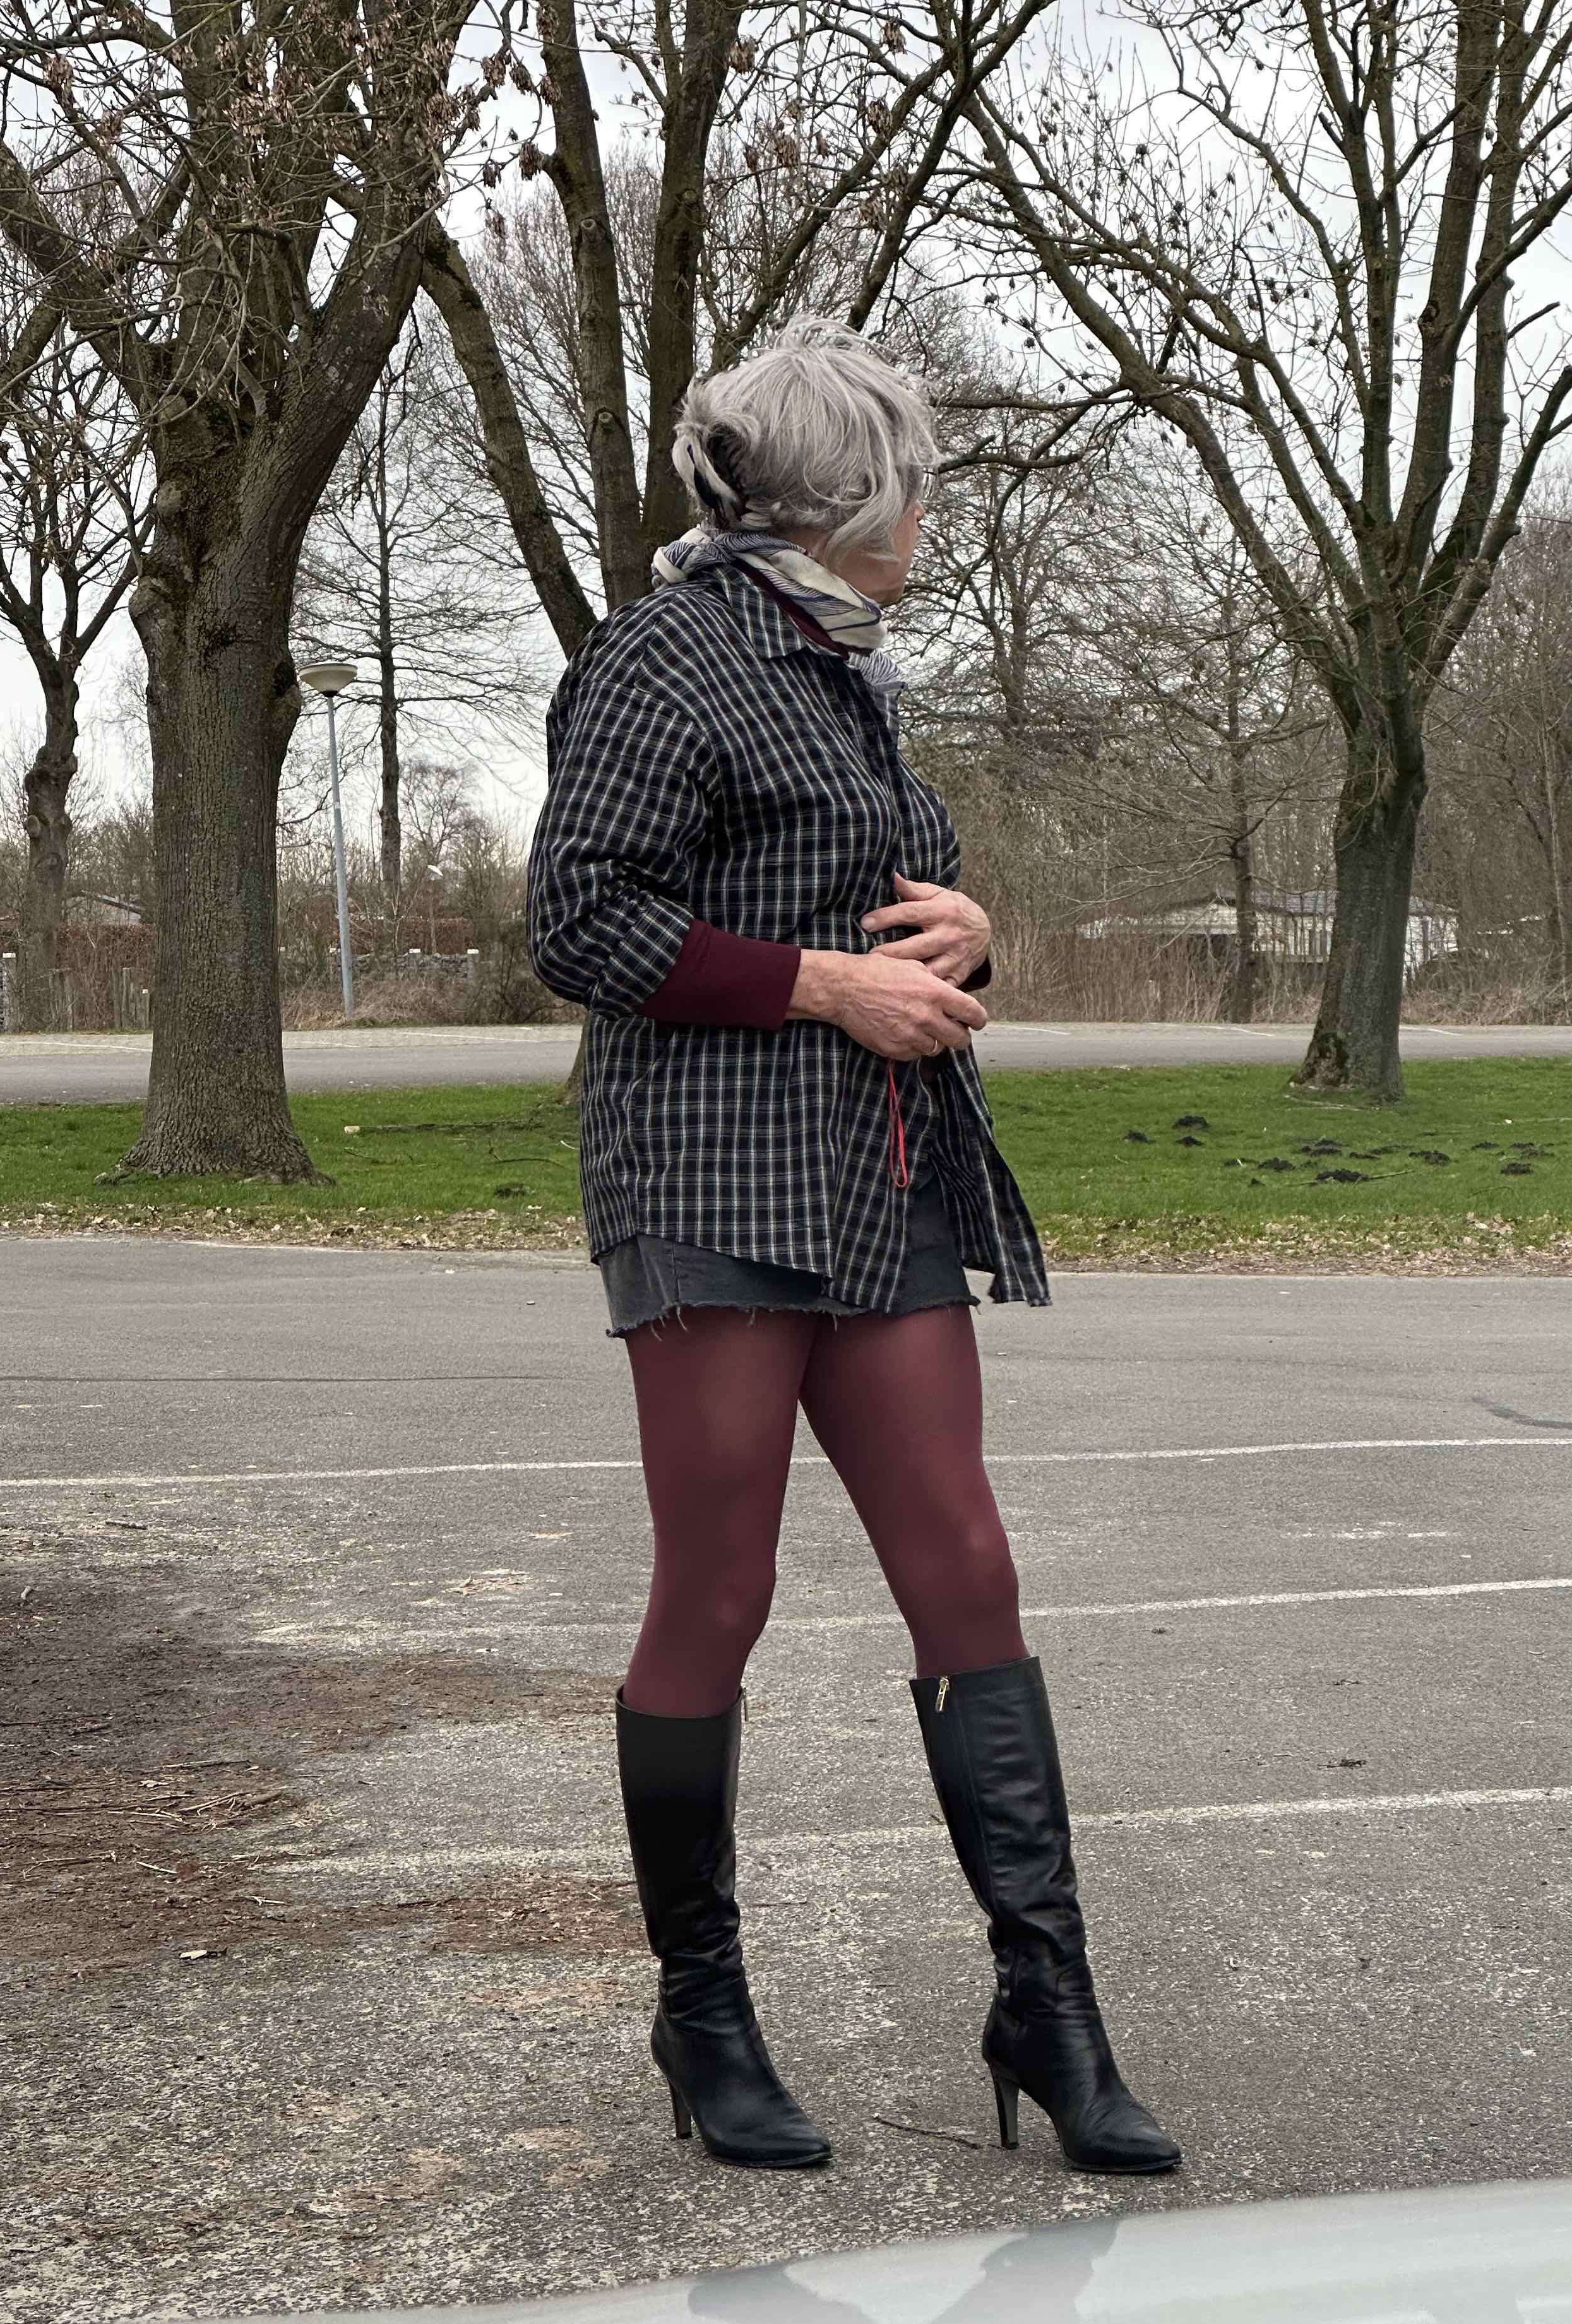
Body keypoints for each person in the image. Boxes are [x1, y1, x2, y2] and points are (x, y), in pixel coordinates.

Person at [527, 316, 1179, 2179]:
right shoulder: (664, 657)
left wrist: (969, 934)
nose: (930, 515)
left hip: (879, 1176)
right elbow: (579, 917)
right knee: (719, 1589)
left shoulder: (845, 672)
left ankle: (1047, 2006)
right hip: (714, 1181)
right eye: (912, 486)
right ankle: (705, 2013)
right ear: (842, 501)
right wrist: (825, 986)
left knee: (967, 1567)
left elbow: (873, 904)